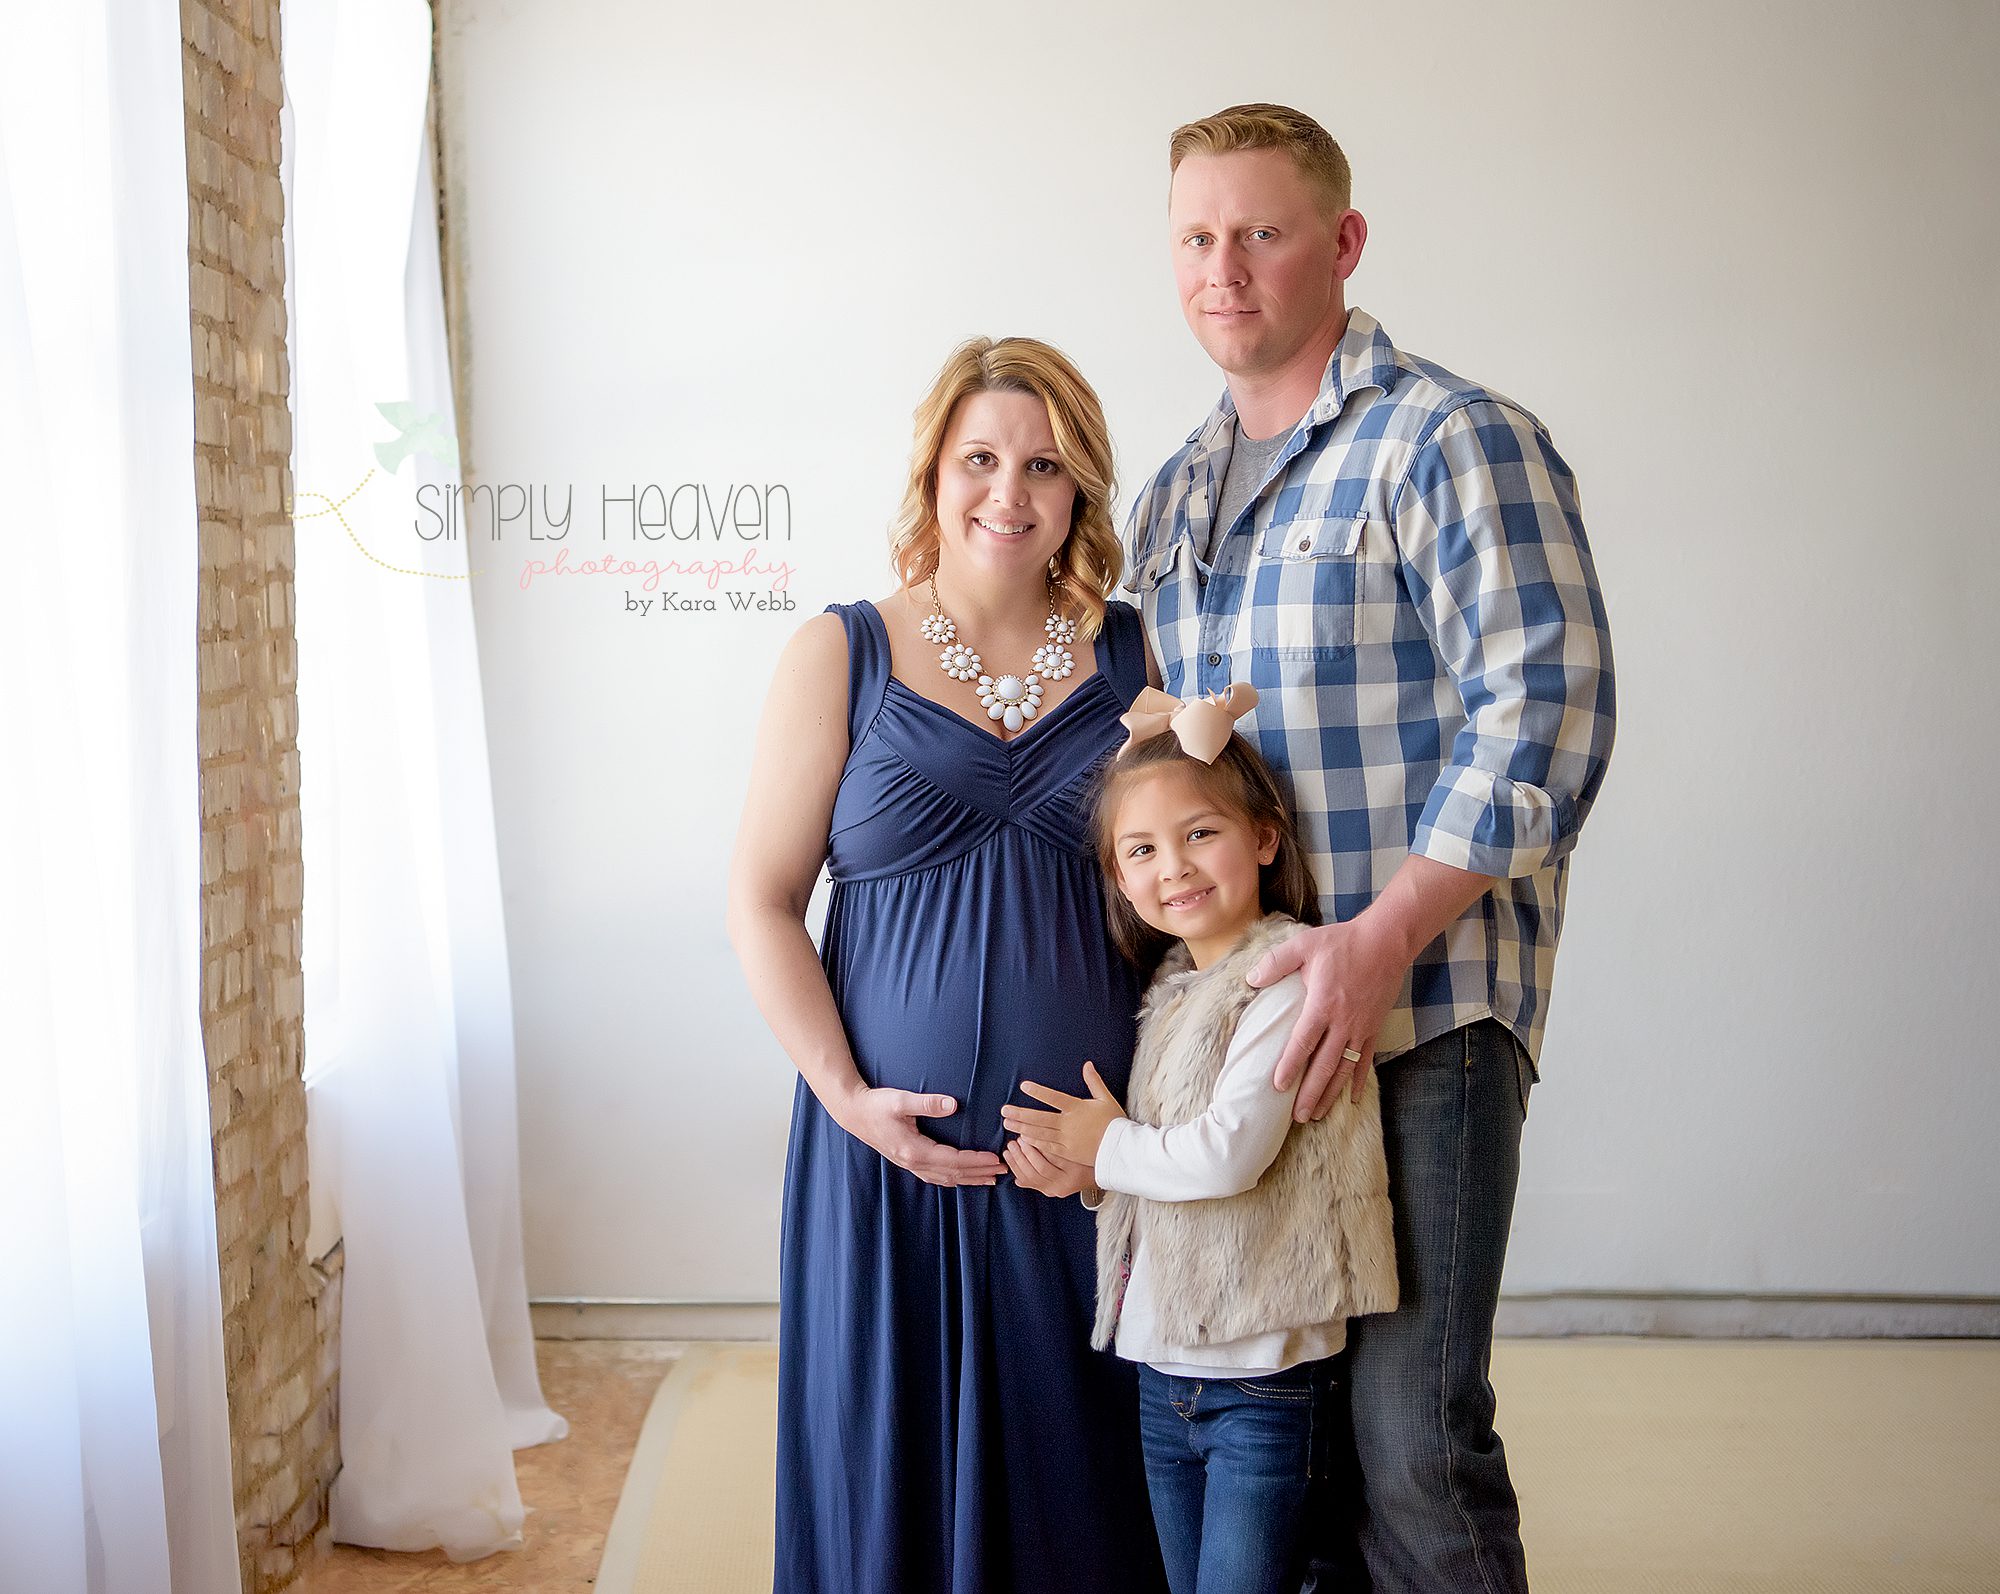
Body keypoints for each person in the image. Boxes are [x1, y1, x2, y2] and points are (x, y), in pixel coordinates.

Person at [1123, 103, 1618, 1591]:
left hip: (1422, 1013)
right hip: (1258, 1049)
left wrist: (1381, 932)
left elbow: (1547, 704)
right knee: (1296, 1438)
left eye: (1261, 232)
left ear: (1340, 243)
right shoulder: (1170, 501)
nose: (1226, 267)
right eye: (1199, 237)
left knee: (1413, 1437)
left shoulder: (1451, 438)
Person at [727, 336, 1168, 1594]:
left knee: (1076, 1493)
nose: (1006, 492)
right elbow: (760, 903)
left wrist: (1139, 1131)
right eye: (978, 458)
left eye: (1042, 463)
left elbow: (1203, 894)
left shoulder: (1140, 661)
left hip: (1077, 1170)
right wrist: (845, 1098)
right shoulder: (842, 652)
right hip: (882, 1167)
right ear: (931, 475)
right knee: (887, 1488)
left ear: (1079, 488)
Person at [1002, 692, 1400, 1594]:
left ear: (1264, 837)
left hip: (1262, 1380)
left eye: (1199, 834)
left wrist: (1108, 1148)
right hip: (1164, 1373)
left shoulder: (1287, 981)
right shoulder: (1173, 986)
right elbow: (1166, 1160)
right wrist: (1090, 1177)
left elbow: (1227, 1154)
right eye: (1140, 851)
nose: (1172, 868)